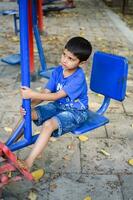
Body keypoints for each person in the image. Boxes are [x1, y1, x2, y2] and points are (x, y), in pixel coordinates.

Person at [20, 36, 92, 169]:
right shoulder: (58, 71)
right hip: (59, 105)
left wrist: (31, 94)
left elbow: (56, 95)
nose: (65, 60)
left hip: (76, 112)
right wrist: (30, 105)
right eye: (64, 54)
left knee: (48, 125)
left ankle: (28, 162)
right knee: (28, 113)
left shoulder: (78, 77)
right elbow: (46, 93)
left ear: (81, 63)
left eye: (71, 59)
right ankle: (8, 145)